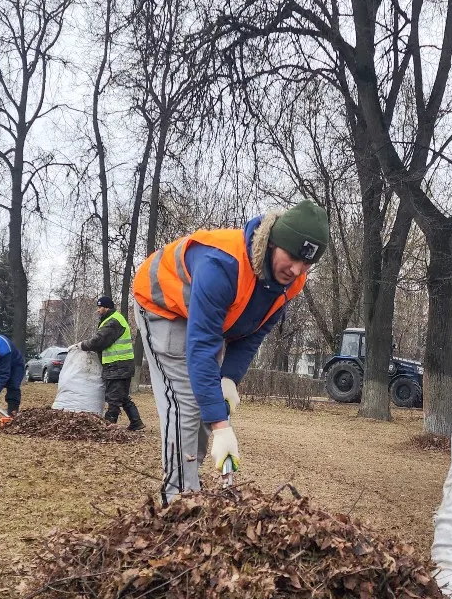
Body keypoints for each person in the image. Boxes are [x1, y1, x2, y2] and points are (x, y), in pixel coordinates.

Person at [132, 199, 329, 504]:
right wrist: (221, 427)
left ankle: (189, 480)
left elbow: (254, 332)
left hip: (204, 319)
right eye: (292, 257)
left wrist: (229, 379)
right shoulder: (222, 265)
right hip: (162, 305)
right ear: (274, 242)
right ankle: (180, 500)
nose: (297, 269)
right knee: (186, 399)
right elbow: (201, 348)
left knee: (206, 394)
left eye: (307, 264)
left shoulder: (291, 281)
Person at [77, 296, 144, 430]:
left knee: (113, 397)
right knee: (122, 396)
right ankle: (136, 422)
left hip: (117, 365)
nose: (98, 310)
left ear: (107, 307)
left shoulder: (113, 321)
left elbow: (99, 341)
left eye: (100, 307)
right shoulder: (112, 319)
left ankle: (108, 425)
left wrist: (82, 345)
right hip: (121, 365)